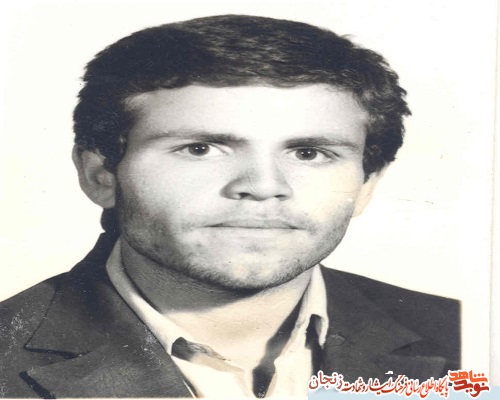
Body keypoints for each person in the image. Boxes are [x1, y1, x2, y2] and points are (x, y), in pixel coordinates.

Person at [0, 14, 460, 398]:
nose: (262, 187)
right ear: (101, 175)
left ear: (366, 185)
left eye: (309, 153)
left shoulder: (468, 337)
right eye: (200, 149)